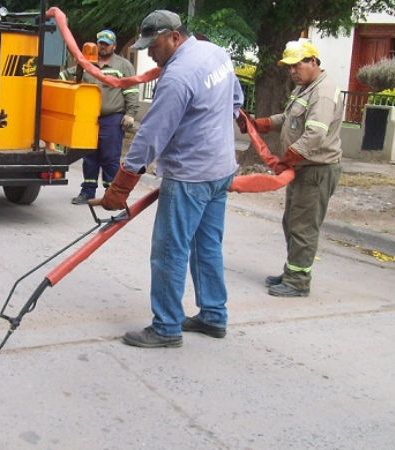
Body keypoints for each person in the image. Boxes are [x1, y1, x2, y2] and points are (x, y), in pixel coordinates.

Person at [98, 10, 243, 348]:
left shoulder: (177, 77)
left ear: (175, 37)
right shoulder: (215, 53)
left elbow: (151, 135)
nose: (150, 53)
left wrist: (121, 185)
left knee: (169, 252)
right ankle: (213, 315)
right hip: (220, 169)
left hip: (189, 176)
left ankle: (166, 327)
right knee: (207, 245)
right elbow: (236, 101)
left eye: (154, 46)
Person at [239, 39, 342, 297]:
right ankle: (293, 271)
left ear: (313, 62)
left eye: (297, 65)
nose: (293, 71)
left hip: (316, 170)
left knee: (303, 226)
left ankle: (298, 281)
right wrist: (259, 124)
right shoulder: (304, 88)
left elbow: (315, 135)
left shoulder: (323, 92)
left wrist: (286, 159)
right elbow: (287, 119)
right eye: (290, 67)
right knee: (292, 222)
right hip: (303, 168)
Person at [65, 29, 139, 205]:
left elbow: (131, 91)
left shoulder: (123, 66)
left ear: (114, 46)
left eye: (107, 44)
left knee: (110, 158)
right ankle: (87, 192)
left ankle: (110, 194)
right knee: (89, 156)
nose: (103, 47)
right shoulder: (87, 63)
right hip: (89, 119)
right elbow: (67, 76)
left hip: (112, 118)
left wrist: (130, 114)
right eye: (101, 44)